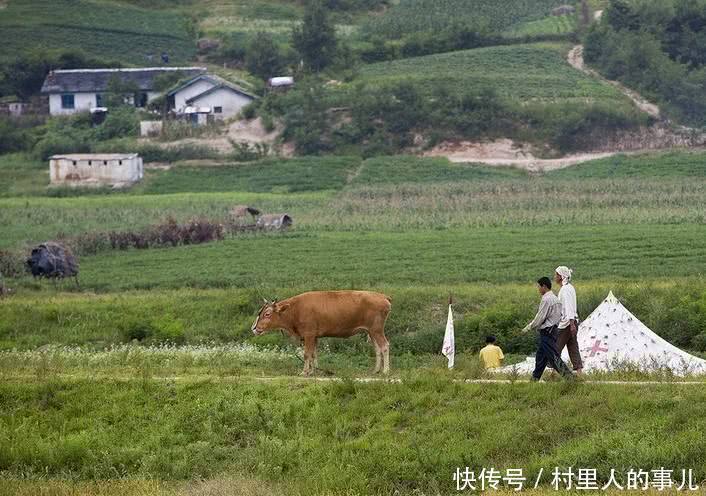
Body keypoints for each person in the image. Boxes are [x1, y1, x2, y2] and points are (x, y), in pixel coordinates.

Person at [522, 277, 573, 380]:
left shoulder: (546, 299)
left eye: (538, 287)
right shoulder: (555, 299)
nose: (538, 289)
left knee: (553, 357)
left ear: (544, 286)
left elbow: (540, 317)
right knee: (540, 357)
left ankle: (570, 378)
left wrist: (528, 328)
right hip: (554, 330)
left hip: (547, 331)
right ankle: (534, 378)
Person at [554, 266, 583, 374]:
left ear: (561, 277)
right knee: (573, 347)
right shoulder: (569, 287)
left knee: (555, 349)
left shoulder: (565, 290)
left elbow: (569, 307)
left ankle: (556, 374)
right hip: (572, 321)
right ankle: (580, 374)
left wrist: (571, 324)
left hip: (567, 323)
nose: (554, 277)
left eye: (556, 275)